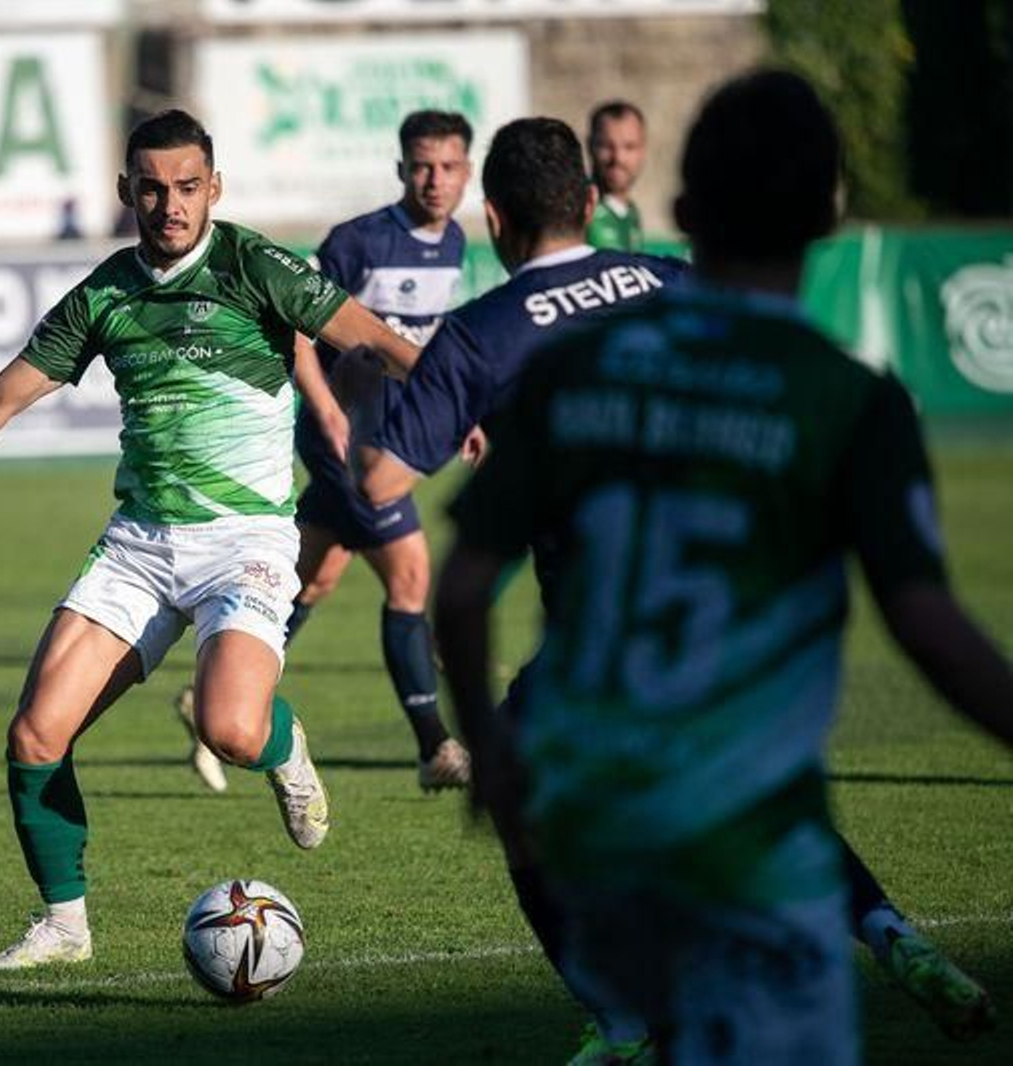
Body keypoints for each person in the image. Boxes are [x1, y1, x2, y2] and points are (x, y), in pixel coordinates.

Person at [370, 113, 998, 1061]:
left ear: (493, 216)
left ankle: (618, 1014)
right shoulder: (839, 389)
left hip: (593, 697)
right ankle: (887, 931)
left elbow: (452, 581)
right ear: (597, 205)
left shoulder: (548, 367)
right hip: (747, 734)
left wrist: (488, 751)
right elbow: (927, 622)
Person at [0, 109, 420, 972]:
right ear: (126, 192)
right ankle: (65, 927)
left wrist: (459, 403)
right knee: (35, 735)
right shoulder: (106, 292)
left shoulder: (253, 265)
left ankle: (286, 752)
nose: (169, 205)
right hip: (139, 544)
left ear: (214, 187)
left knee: (230, 730)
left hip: (242, 539)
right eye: (152, 188)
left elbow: (371, 341)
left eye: (186, 187)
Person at [174, 109, 475, 794]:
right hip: (346, 442)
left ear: (467, 174)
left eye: (448, 167)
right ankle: (435, 748)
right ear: (401, 169)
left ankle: (208, 696)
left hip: (388, 442)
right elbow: (298, 328)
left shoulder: (454, 240)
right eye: (422, 166)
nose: (434, 180)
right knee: (408, 579)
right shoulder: (358, 241)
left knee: (315, 575)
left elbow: (412, 352)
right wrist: (329, 407)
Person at [586, 100, 647, 252]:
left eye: (629, 146)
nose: (618, 158)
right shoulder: (575, 209)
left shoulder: (631, 213)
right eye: (606, 146)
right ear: (589, 146)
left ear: (643, 149)